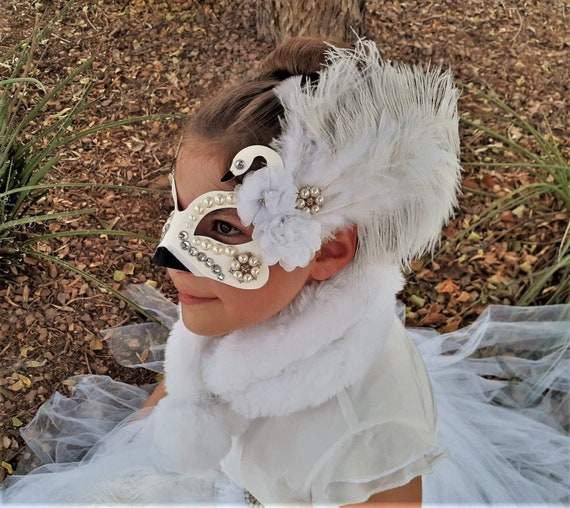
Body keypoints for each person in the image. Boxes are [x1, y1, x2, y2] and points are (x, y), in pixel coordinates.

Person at [1, 36, 568, 506]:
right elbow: (194, 368)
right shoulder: (237, 303)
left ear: (324, 251)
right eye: (176, 211)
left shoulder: (362, 440)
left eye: (223, 228)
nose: (168, 256)